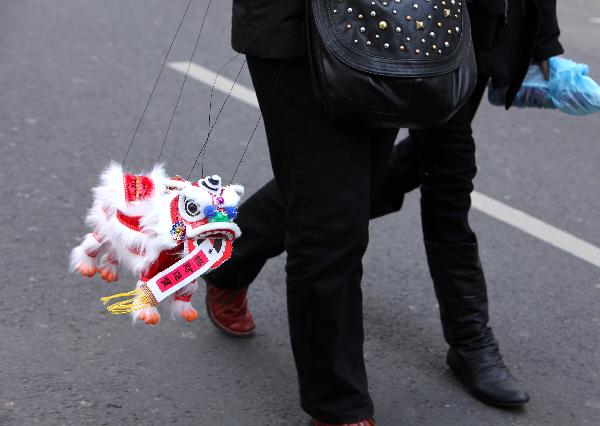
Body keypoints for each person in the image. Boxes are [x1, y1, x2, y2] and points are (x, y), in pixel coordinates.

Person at [207, 0, 563, 423]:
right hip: (297, 28)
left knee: (347, 197)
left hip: (404, 25)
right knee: (331, 221)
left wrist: (541, 33)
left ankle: (229, 260)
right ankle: (338, 407)